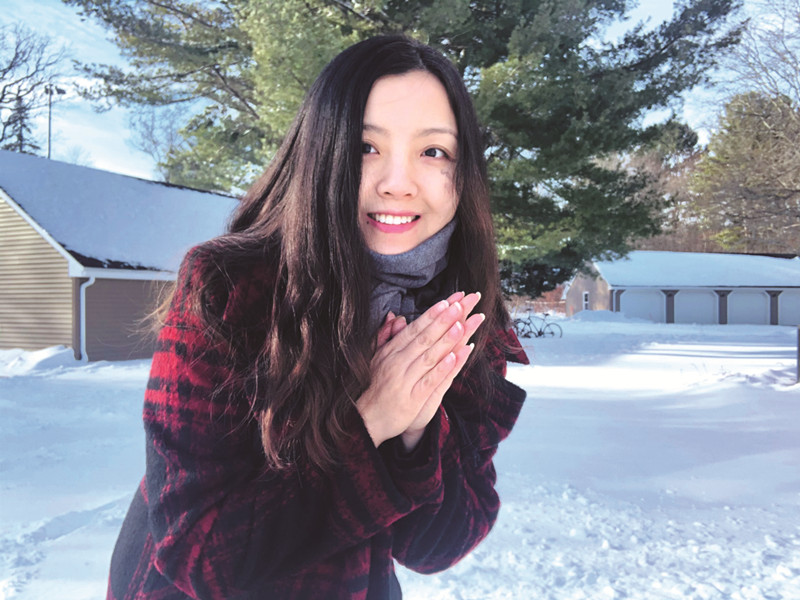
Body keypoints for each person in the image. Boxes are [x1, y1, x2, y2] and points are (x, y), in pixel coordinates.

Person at [107, 34, 529, 600]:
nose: (397, 183)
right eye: (365, 147)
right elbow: (199, 555)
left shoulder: (463, 316)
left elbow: (437, 547)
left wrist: (415, 433)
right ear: (321, 152)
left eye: (433, 152)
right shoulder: (230, 288)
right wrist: (371, 421)